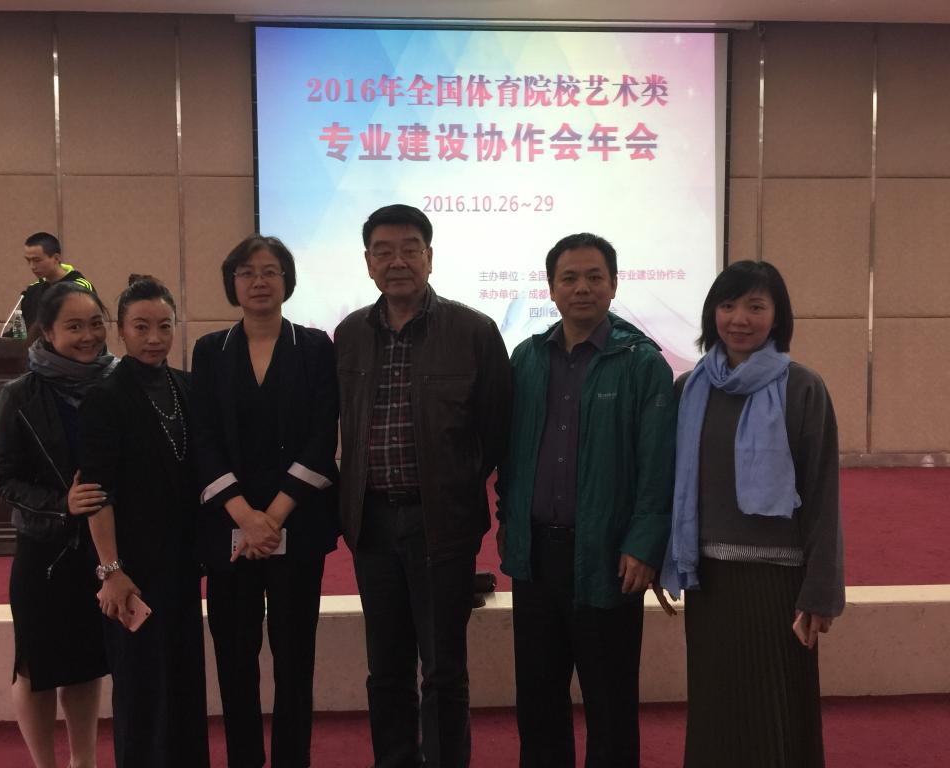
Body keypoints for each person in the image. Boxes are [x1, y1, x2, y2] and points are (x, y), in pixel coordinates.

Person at [334, 204, 511, 768]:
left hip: (442, 525)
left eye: (410, 249)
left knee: (443, 668)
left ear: (429, 257)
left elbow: (495, 432)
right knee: (385, 667)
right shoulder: (350, 335)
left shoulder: (474, 332)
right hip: (372, 524)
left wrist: (457, 487)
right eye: (383, 251)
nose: (397, 261)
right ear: (368, 262)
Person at [496, 233, 676, 768]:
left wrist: (644, 543)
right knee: (538, 701)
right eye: (569, 278)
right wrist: (508, 521)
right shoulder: (527, 359)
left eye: (595, 277)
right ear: (551, 288)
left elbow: (658, 465)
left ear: (613, 285)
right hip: (536, 557)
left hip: (609, 556)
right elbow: (511, 456)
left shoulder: (642, 363)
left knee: (610, 703)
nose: (582, 288)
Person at [656, 260, 845, 768]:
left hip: (778, 585)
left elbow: (823, 496)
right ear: (712, 313)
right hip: (710, 582)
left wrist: (820, 591)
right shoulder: (689, 389)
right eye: (728, 305)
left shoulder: (803, 388)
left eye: (756, 307)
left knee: (775, 711)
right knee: (717, 710)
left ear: (777, 316)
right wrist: (662, 558)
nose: (740, 318)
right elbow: (673, 485)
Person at [190, 235, 340, 768]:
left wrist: (271, 518)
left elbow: (322, 436)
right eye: (247, 272)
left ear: (287, 281)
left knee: (295, 658)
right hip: (228, 529)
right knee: (234, 658)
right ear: (232, 283)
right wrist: (243, 516)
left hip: (296, 524)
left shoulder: (316, 347)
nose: (259, 281)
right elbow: (202, 438)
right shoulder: (210, 351)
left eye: (270, 271)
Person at [78, 276, 209, 768]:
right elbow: (97, 494)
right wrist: (111, 570)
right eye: (141, 327)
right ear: (120, 330)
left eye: (164, 326)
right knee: (140, 687)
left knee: (184, 680)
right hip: (131, 568)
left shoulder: (187, 386)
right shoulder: (104, 397)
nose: (154, 338)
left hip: (181, 563)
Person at [0, 281, 115, 768]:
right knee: (35, 667)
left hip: (103, 549)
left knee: (85, 664)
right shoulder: (18, 394)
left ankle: (84, 761)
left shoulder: (118, 383)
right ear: (47, 332)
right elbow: (3, 477)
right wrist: (63, 504)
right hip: (44, 550)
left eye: (96, 324)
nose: (89, 336)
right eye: (74, 326)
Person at [19, 232, 95, 330]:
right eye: (28, 260)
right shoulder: (32, 290)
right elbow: (22, 330)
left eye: (37, 260)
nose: (32, 266)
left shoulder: (79, 288)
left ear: (56, 258)